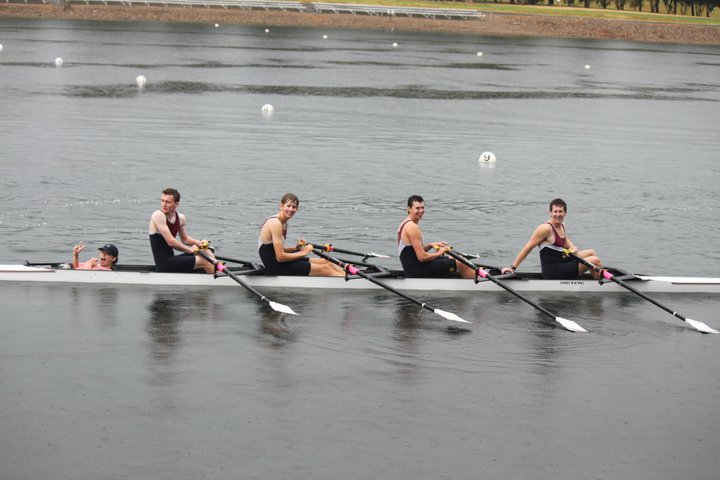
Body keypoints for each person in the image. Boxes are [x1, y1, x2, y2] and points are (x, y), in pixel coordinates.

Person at [501, 198, 603, 279]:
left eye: (560, 211)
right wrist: (513, 267)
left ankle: (597, 277)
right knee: (595, 260)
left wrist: (573, 248)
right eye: (555, 212)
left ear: (565, 213)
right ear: (550, 213)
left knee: (591, 253)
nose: (558, 215)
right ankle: (601, 281)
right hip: (553, 272)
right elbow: (528, 247)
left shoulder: (562, 225)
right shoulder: (545, 229)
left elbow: (566, 241)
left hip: (561, 263)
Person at [258, 193, 344, 276]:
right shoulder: (275, 223)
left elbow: (276, 250)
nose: (291, 209)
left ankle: (349, 278)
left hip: (281, 263)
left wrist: (295, 249)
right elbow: (280, 257)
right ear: (281, 206)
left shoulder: (284, 223)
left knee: (327, 262)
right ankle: (349, 284)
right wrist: (303, 252)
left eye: (294, 207)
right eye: (288, 206)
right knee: (325, 268)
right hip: (276, 267)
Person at [397, 195, 476, 279]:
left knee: (455, 258)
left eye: (422, 208)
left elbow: (412, 253)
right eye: (417, 208)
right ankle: (477, 284)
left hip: (414, 268)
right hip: (416, 272)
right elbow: (422, 257)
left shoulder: (405, 223)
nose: (421, 211)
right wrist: (439, 253)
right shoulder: (412, 227)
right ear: (409, 209)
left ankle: (469, 275)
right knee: (462, 262)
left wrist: (431, 245)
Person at [149, 187, 215, 273]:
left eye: (168, 202)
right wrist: (189, 250)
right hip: (164, 264)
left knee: (205, 250)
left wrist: (198, 243)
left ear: (176, 204)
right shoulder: (158, 215)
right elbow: (171, 242)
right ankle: (219, 275)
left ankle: (217, 270)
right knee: (204, 260)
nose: (164, 204)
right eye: (162, 201)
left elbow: (185, 239)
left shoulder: (181, 218)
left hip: (172, 259)